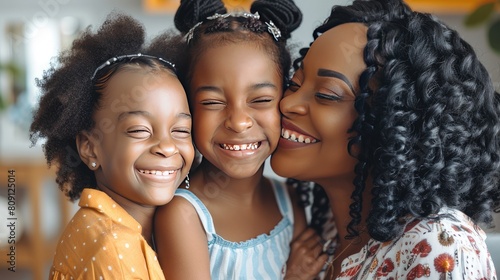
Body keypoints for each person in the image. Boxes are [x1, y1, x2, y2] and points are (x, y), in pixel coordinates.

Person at [270, 0, 500, 278]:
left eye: (326, 95)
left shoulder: (437, 245)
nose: (288, 104)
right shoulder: (325, 234)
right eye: (294, 83)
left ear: (395, 125)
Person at [153, 0, 327, 279]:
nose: (238, 121)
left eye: (260, 100)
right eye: (212, 102)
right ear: (186, 107)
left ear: (285, 99)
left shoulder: (288, 200)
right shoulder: (182, 215)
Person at [29, 13, 194, 279]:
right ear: (89, 148)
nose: (167, 146)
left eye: (181, 130)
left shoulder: (102, 226)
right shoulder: (115, 248)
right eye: (140, 130)